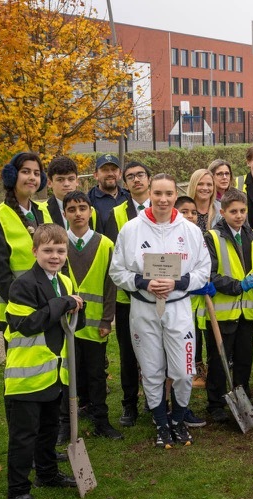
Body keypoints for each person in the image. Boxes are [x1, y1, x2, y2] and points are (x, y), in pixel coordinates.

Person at [109, 174, 212, 449]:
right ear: (150, 194)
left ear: (175, 196)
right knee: (152, 371)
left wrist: (180, 282)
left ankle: (178, 419)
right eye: (158, 194)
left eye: (168, 194)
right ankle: (161, 423)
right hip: (143, 309)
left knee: (182, 370)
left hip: (178, 307)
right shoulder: (131, 229)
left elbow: (204, 269)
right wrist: (142, 282)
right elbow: (117, 270)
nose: (163, 200)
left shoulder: (189, 230)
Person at [2, 224, 82, 499]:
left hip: (52, 373)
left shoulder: (63, 280)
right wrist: (64, 303)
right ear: (35, 251)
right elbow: (28, 324)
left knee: (48, 430)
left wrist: (75, 306)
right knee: (24, 437)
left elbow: (74, 323)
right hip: (25, 377)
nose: (55, 256)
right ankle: (17, 494)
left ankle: (47, 473)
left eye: (60, 251)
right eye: (48, 250)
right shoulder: (23, 285)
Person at [196, 188, 253, 422]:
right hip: (221, 312)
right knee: (219, 359)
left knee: (244, 358)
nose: (239, 216)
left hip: (246, 310)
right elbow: (210, 275)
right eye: (233, 212)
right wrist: (239, 285)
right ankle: (216, 403)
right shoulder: (212, 237)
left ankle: (243, 396)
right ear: (223, 212)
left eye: (242, 211)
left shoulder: (250, 235)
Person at [58, 191, 122, 441]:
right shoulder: (60, 243)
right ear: (65, 214)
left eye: (82, 208)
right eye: (72, 209)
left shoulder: (105, 244)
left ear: (91, 212)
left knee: (96, 374)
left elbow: (110, 284)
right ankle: (66, 423)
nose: (78, 214)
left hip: (95, 324)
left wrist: (107, 319)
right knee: (68, 374)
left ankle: (101, 421)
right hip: (67, 325)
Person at [101, 161, 151, 428]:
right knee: (129, 354)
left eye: (140, 175)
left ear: (148, 179)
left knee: (157, 351)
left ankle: (154, 401)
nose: (136, 180)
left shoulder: (161, 207)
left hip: (157, 294)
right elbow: (114, 259)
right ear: (125, 181)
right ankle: (129, 404)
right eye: (130, 176)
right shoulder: (117, 213)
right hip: (127, 298)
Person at [0, 152, 47, 335]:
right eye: (26, 171)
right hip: (18, 311)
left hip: (47, 307)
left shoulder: (44, 213)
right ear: (11, 175)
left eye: (36, 173)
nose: (32, 177)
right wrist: (25, 304)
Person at [175, 195, 209, 392]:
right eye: (184, 212)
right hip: (178, 299)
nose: (190, 216)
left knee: (196, 335)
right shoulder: (171, 236)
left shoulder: (198, 235)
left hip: (198, 300)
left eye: (194, 213)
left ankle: (197, 368)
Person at [37, 156, 96, 230]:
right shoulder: (40, 211)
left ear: (77, 181)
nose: (66, 184)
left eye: (71, 179)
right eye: (60, 179)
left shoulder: (91, 211)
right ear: (49, 183)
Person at [87, 154, 130, 227]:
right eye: (105, 170)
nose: (110, 173)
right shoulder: (88, 201)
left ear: (120, 174)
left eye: (114, 169)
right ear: (96, 175)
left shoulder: (129, 197)